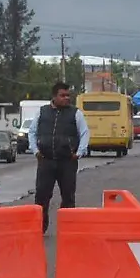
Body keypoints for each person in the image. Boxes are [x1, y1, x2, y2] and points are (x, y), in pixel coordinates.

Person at [28, 81, 89, 232]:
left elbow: (84, 133)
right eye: (62, 95)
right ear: (54, 96)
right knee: (41, 196)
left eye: (68, 95)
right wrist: (35, 150)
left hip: (67, 161)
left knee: (68, 195)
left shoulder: (75, 113)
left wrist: (79, 152)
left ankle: (68, 227)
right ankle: (39, 227)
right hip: (46, 160)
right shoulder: (42, 112)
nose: (66, 98)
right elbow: (32, 132)